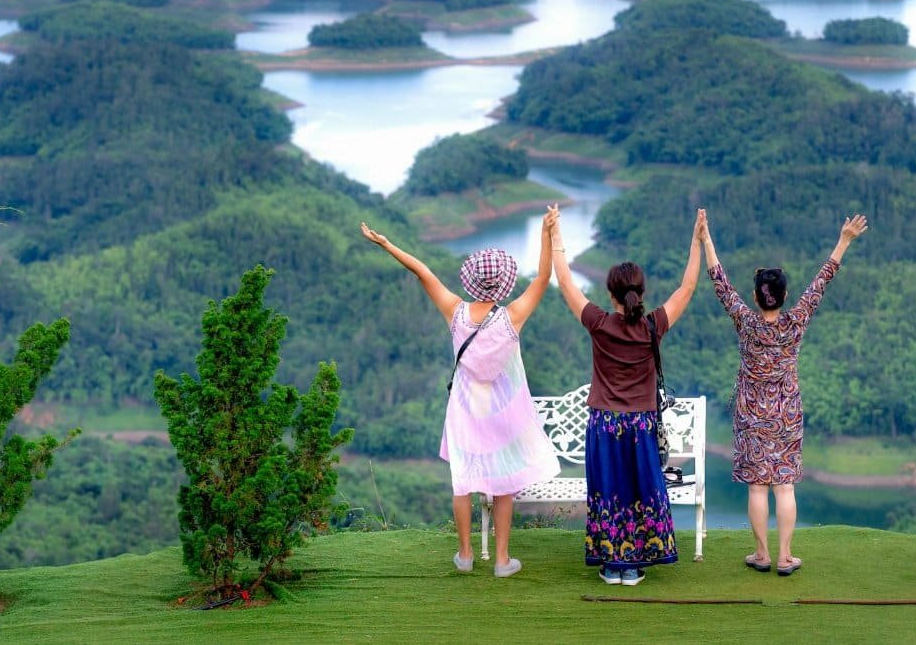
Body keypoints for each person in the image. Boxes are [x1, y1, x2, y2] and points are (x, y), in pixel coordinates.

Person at [359, 213, 561, 578]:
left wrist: (386, 244)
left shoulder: (456, 312)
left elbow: (423, 273)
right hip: (502, 413)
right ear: (503, 283)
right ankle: (501, 561)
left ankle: (466, 554)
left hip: (466, 409)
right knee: (503, 485)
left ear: (472, 282)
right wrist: (548, 232)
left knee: (463, 481)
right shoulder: (512, 316)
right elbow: (544, 277)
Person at [699, 213, 868, 576]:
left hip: (750, 413)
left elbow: (720, 283)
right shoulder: (796, 320)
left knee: (758, 486)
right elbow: (822, 281)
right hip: (787, 413)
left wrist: (706, 239)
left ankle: (761, 554)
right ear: (785, 296)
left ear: (757, 297)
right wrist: (844, 240)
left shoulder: (745, 319)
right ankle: (785, 556)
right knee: (784, 485)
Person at [550, 206, 705, 586]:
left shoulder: (599, 324)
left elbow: (566, 283)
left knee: (608, 490)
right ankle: (634, 565)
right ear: (642, 291)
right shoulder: (653, 326)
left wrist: (555, 234)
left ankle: (611, 564)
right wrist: (697, 239)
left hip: (603, 423)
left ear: (610, 292)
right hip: (641, 424)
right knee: (640, 488)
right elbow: (686, 288)